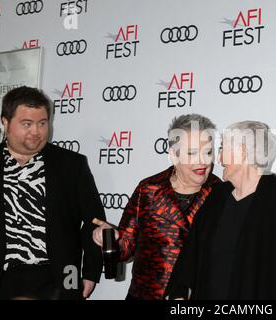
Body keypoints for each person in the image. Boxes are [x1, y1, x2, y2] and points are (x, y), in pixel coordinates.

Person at [166, 121, 276, 300]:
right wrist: (179, 292)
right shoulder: (217, 196)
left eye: (222, 149)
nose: (218, 158)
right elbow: (192, 251)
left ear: (242, 153)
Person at [93, 114, 220, 300]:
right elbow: (126, 247)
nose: (202, 161)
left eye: (208, 152)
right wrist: (111, 238)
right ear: (173, 155)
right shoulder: (149, 190)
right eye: (192, 153)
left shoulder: (221, 194)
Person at [0, 86, 105, 300]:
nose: (36, 131)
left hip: (63, 277)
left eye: (42, 123)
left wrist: (91, 272)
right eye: (27, 124)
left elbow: (95, 221)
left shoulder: (71, 165)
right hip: (2, 278)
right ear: (5, 122)